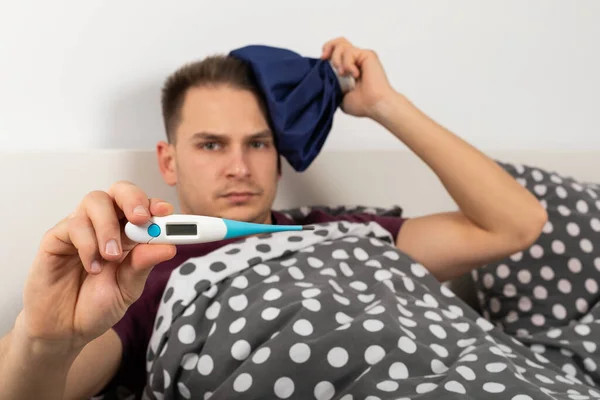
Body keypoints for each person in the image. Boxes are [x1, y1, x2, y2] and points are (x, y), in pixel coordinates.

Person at [0, 37, 547, 400]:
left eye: (257, 143)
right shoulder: (140, 273)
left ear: (278, 152)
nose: (239, 167)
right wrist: (44, 341)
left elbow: (515, 224)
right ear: (168, 160)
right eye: (211, 144)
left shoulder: (345, 229)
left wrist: (385, 103)